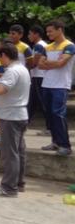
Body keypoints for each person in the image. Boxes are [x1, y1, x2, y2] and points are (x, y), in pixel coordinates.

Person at [0, 42, 31, 196]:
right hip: (19, 115)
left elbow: (1, 89)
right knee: (19, 152)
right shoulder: (22, 69)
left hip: (11, 117)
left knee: (10, 154)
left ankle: (9, 187)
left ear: (4, 55)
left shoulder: (12, 71)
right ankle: (18, 183)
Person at [38, 20, 74, 156]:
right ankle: (55, 141)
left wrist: (49, 63)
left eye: (50, 31)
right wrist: (53, 63)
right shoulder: (47, 47)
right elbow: (40, 65)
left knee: (58, 113)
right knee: (49, 114)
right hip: (47, 83)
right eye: (47, 31)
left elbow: (61, 63)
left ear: (60, 30)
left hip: (61, 85)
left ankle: (65, 145)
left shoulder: (69, 46)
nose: (48, 34)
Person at [27, 24, 48, 128]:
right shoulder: (42, 44)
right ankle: (24, 123)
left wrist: (25, 68)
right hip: (38, 76)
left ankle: (51, 125)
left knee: (41, 102)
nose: (28, 36)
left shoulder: (39, 45)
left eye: (30, 34)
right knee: (32, 102)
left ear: (36, 34)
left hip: (38, 76)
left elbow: (34, 63)